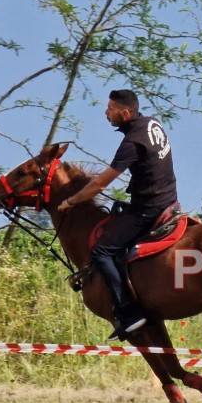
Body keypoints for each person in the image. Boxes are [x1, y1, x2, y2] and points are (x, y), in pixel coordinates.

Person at [58, 89, 178, 341]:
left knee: (101, 251)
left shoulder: (133, 141)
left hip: (148, 208)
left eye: (110, 109)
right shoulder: (151, 123)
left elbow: (101, 184)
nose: (106, 113)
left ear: (125, 113)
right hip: (167, 199)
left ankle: (129, 312)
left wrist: (71, 201)